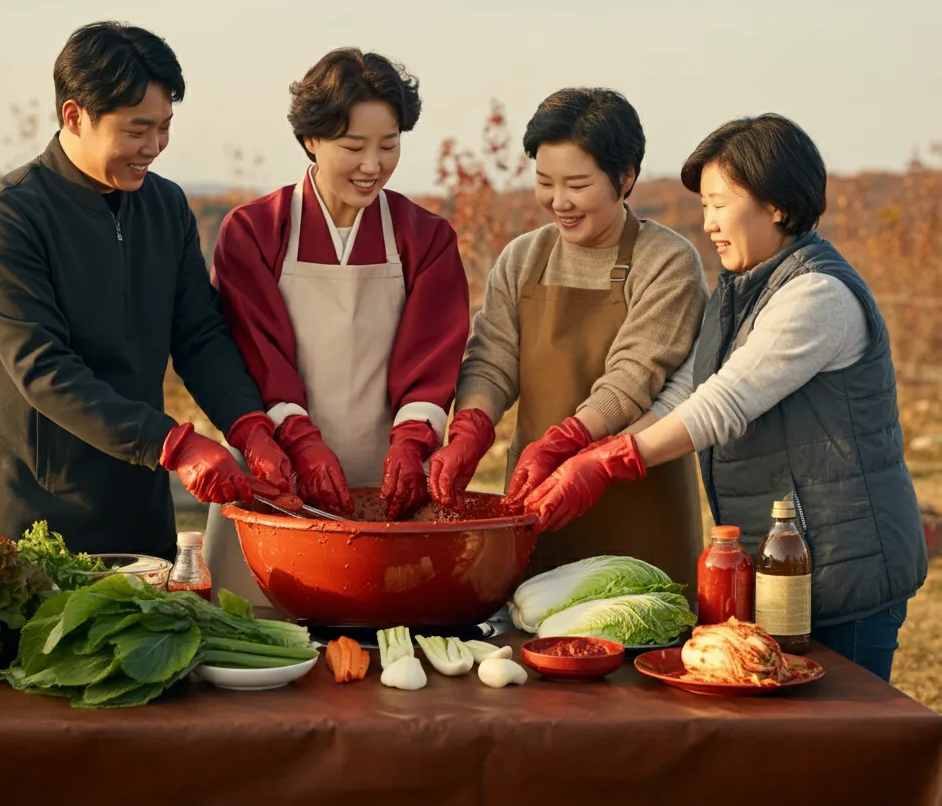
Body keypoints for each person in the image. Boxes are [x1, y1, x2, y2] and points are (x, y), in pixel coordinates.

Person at [525, 114, 928, 680]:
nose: (708, 223)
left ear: (778, 206)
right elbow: (686, 391)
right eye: (704, 206)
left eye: (720, 204)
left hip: (844, 566)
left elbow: (724, 405)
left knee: (839, 745)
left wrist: (609, 464)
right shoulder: (739, 290)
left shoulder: (817, 294)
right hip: (788, 564)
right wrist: (582, 445)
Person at [0, 22, 292, 560]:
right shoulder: (5, 217)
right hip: (28, 519)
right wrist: (174, 443)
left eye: (165, 127)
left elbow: (200, 335)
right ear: (74, 116)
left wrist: (248, 425)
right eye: (138, 130)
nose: (154, 147)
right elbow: (44, 369)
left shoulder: (166, 206)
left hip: (137, 508)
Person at [204, 48, 470, 601]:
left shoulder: (426, 238)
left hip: (389, 483)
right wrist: (297, 440)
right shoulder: (254, 231)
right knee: (258, 627)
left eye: (389, 144)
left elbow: (434, 355)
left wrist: (412, 442)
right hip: (277, 475)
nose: (372, 164)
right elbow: (257, 353)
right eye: (353, 147)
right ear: (311, 140)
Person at [430, 87, 708, 588]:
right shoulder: (523, 258)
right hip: (535, 500)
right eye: (544, 182)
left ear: (626, 177)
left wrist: (568, 441)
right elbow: (491, 358)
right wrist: (471, 425)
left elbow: (633, 376)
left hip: (636, 506)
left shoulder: (667, 261)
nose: (559, 202)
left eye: (577, 184)